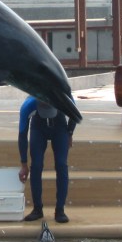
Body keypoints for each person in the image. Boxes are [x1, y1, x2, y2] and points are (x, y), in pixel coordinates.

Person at [18, 95, 77, 224]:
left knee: (61, 165)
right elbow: (22, 134)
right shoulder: (28, 105)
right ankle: (37, 209)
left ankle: (60, 210)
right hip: (38, 128)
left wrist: (70, 133)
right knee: (36, 165)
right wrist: (23, 164)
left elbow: (75, 116)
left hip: (59, 126)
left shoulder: (64, 97)